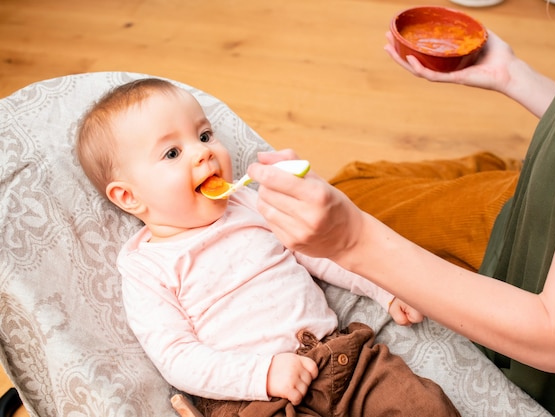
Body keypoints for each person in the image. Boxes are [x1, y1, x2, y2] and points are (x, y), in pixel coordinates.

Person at [246, 1, 555, 416]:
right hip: (536, 202)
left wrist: (354, 240)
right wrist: (513, 75)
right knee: (363, 180)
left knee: (357, 188)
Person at [75, 78, 461, 417]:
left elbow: (319, 250)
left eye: (205, 136)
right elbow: (176, 357)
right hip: (253, 399)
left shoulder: (251, 205)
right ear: (128, 196)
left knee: (422, 405)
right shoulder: (147, 267)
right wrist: (262, 375)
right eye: (173, 153)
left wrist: (384, 287)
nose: (204, 152)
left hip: (338, 359)